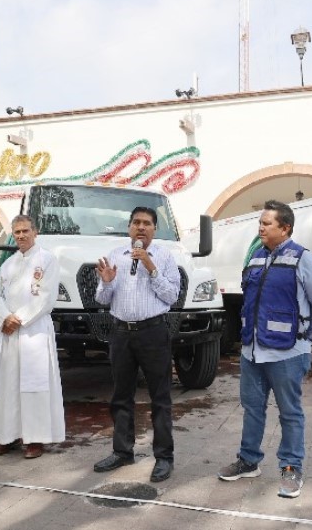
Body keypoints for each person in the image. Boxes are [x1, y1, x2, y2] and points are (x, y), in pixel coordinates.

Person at [217, 199, 312, 499]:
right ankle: (248, 460)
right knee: (252, 409)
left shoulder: (303, 259)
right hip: (252, 352)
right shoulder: (255, 257)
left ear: (285, 228)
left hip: (287, 353)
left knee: (290, 413)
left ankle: (291, 469)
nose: (261, 228)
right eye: (260, 223)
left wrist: (306, 335)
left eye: (267, 224)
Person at [93, 206, 181, 483]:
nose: (141, 228)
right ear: (129, 227)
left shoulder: (165, 257)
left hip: (152, 333)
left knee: (160, 398)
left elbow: (171, 296)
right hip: (120, 334)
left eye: (147, 224)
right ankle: (122, 452)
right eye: (136, 223)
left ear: (154, 229)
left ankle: (164, 457)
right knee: (120, 396)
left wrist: (150, 266)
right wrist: (106, 283)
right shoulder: (116, 255)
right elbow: (102, 299)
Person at [0, 215, 65, 459]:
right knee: (7, 385)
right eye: (16, 232)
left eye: (25, 231)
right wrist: (5, 317)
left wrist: (17, 319)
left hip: (34, 332)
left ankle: (35, 439)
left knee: (34, 384)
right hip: (8, 333)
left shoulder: (47, 260)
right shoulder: (8, 264)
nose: (20, 235)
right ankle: (7, 437)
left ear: (35, 231)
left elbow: (46, 298)